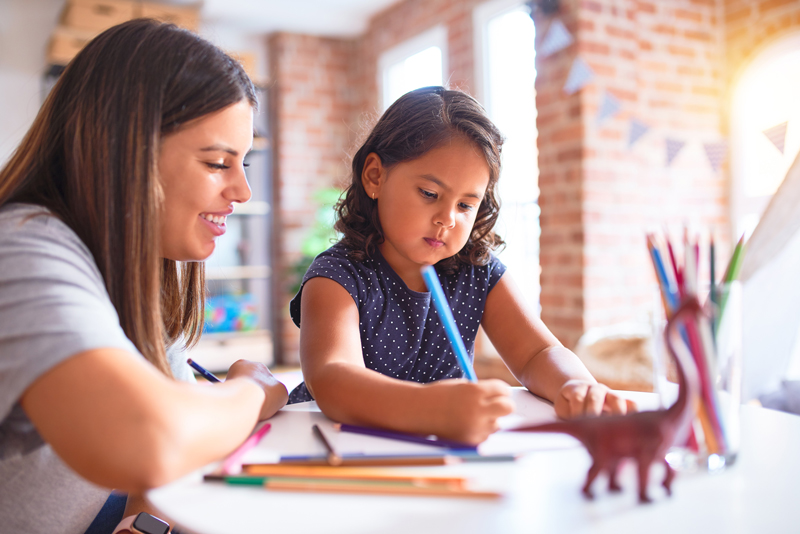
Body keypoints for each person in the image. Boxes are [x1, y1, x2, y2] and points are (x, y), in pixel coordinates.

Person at [0, 19, 288, 534]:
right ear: (125, 151)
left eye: (243, 162)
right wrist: (249, 394)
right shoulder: (22, 248)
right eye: (219, 163)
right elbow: (147, 438)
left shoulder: (142, 267)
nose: (243, 191)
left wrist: (147, 518)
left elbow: (160, 464)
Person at [289, 86, 635, 444]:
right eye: (429, 194)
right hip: (336, 450)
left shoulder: (477, 271)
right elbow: (331, 378)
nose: (447, 219)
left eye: (466, 205)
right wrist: (430, 410)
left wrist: (576, 385)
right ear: (375, 176)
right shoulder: (337, 276)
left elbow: (538, 353)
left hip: (440, 455)